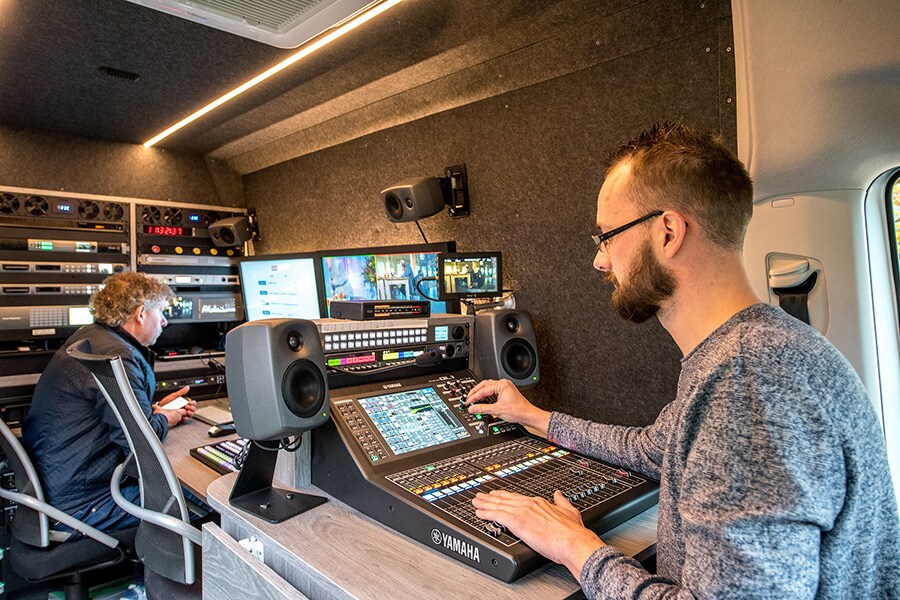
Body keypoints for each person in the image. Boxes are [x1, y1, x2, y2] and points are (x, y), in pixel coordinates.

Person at [465, 123, 900, 598]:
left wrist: (576, 547)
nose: (600, 262)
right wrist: (531, 415)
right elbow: (651, 449)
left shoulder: (746, 380)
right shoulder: (756, 350)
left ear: (668, 232)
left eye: (607, 237)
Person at [22, 272, 197, 537]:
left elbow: (106, 414)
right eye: (161, 312)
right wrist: (164, 419)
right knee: (198, 501)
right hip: (83, 506)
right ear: (141, 313)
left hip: (57, 492)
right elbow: (140, 445)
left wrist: (151, 410)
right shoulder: (117, 355)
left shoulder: (90, 338)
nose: (164, 321)